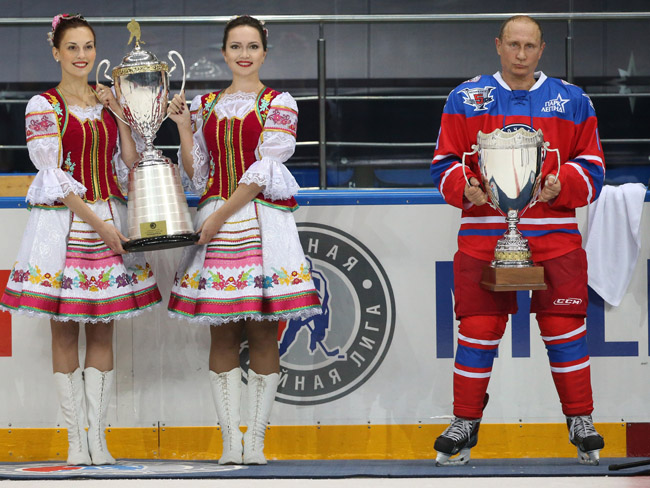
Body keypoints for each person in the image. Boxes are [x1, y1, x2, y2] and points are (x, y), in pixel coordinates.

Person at [430, 15, 605, 466]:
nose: (521, 54)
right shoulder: (465, 98)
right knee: (477, 331)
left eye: (529, 46)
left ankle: (580, 419)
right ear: (498, 45)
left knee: (566, 331)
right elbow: (444, 163)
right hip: (484, 234)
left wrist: (561, 183)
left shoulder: (572, 100)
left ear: (542, 49)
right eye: (513, 45)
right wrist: (464, 187)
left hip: (556, 235)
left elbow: (595, 167)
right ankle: (465, 419)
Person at [0, 14, 162, 465]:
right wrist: (102, 226)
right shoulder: (43, 105)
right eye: (72, 47)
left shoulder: (104, 98)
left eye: (88, 46)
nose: (81, 55)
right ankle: (75, 439)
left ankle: (98, 440)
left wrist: (120, 114)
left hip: (109, 212)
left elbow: (128, 161)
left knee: (104, 328)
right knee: (64, 330)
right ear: (56, 52)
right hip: (67, 224)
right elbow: (52, 176)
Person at [166, 15, 322, 465]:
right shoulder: (205, 103)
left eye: (252, 46)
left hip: (258, 222)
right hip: (215, 216)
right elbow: (198, 174)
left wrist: (217, 218)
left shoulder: (279, 103)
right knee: (222, 333)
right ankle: (230, 442)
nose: (244, 53)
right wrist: (182, 127)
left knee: (263, 332)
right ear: (224, 52)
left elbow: (263, 173)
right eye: (236, 45)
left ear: (264, 52)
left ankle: (255, 441)